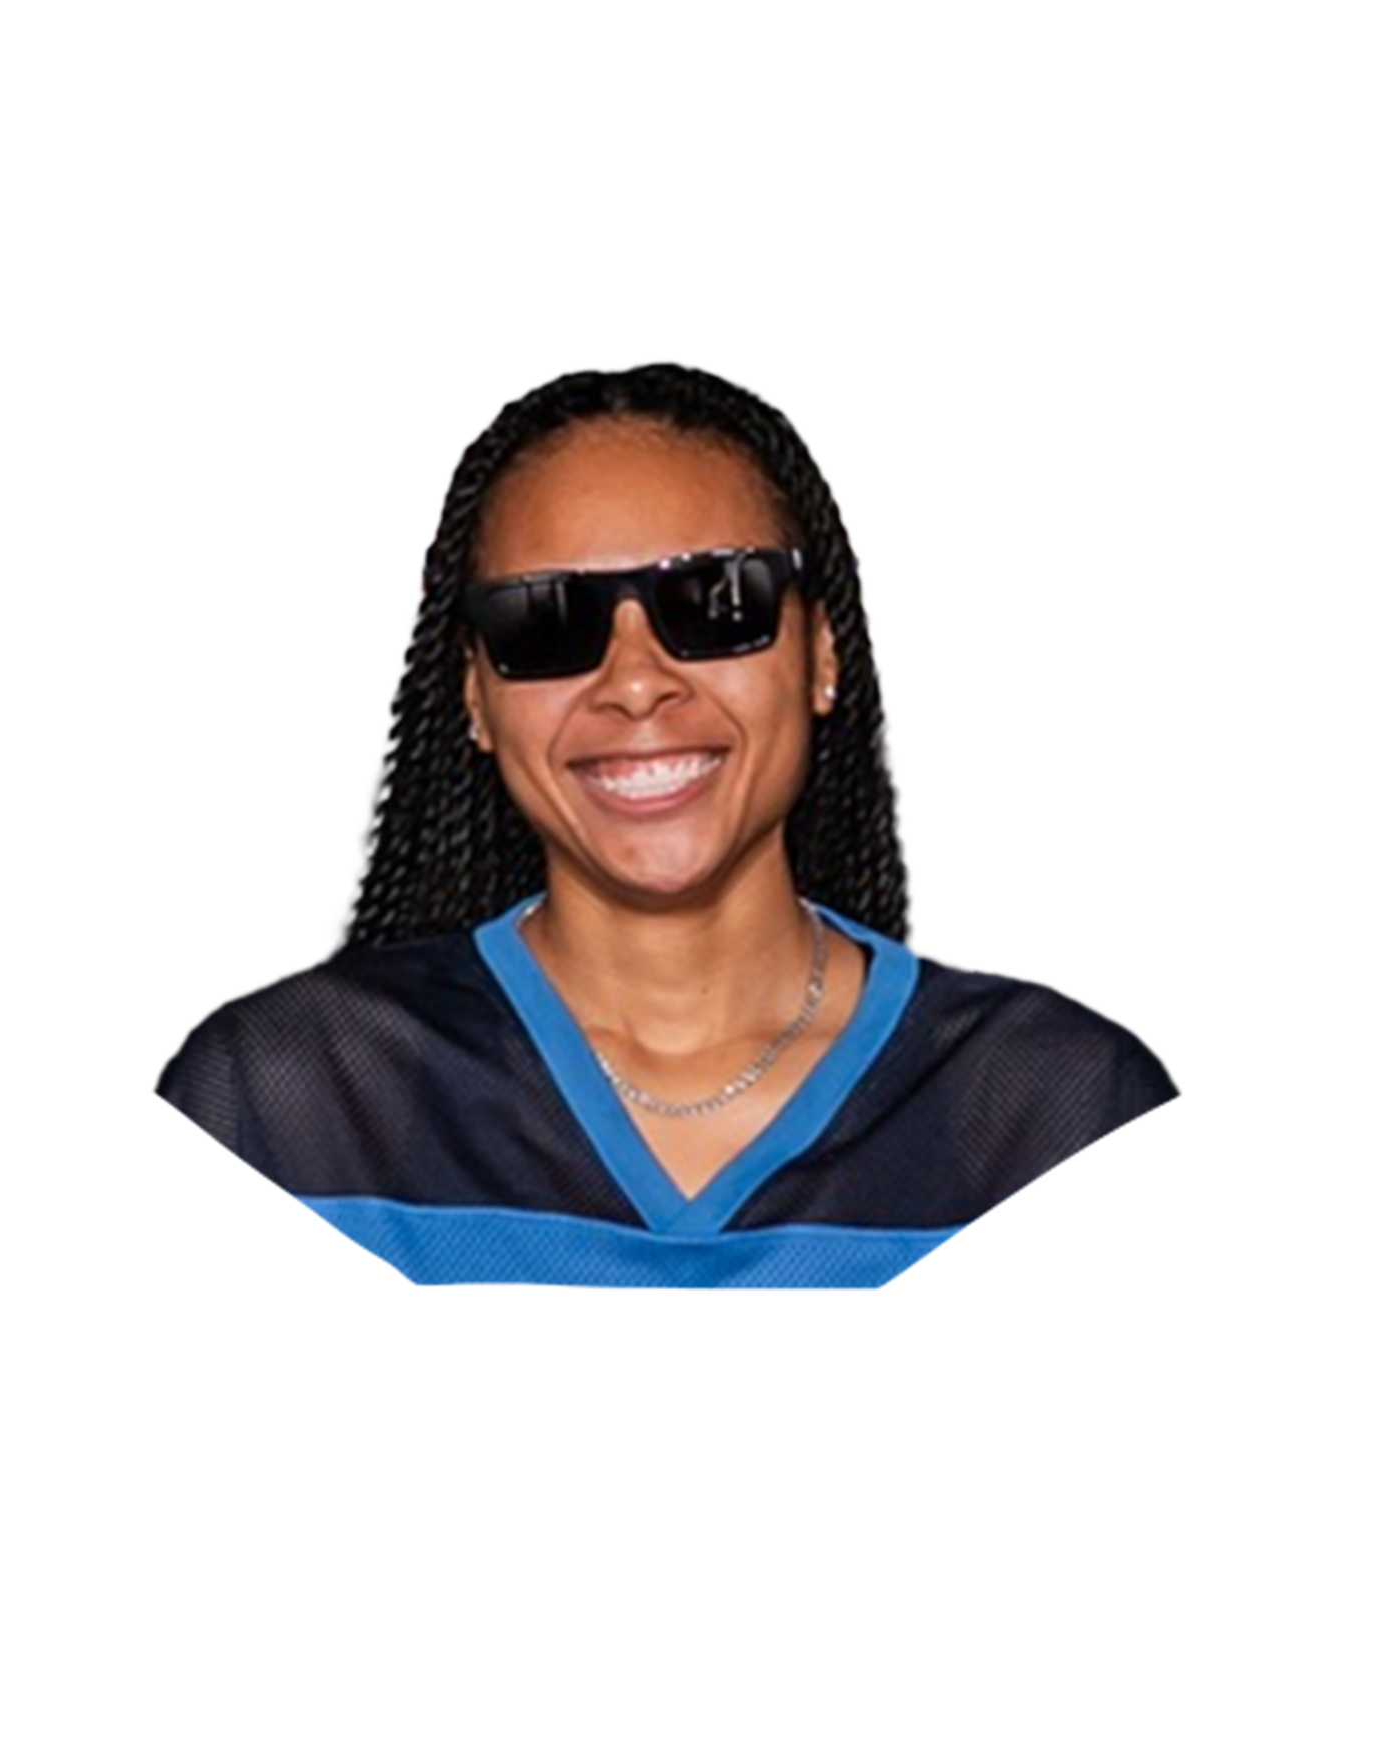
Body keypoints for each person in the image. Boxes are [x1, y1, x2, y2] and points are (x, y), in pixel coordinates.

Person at [156, 362, 1178, 1287]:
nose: (636, 681)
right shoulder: (283, 1109)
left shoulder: (1056, 1118)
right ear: (472, 694)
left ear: (822, 653)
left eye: (717, 601)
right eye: (544, 619)